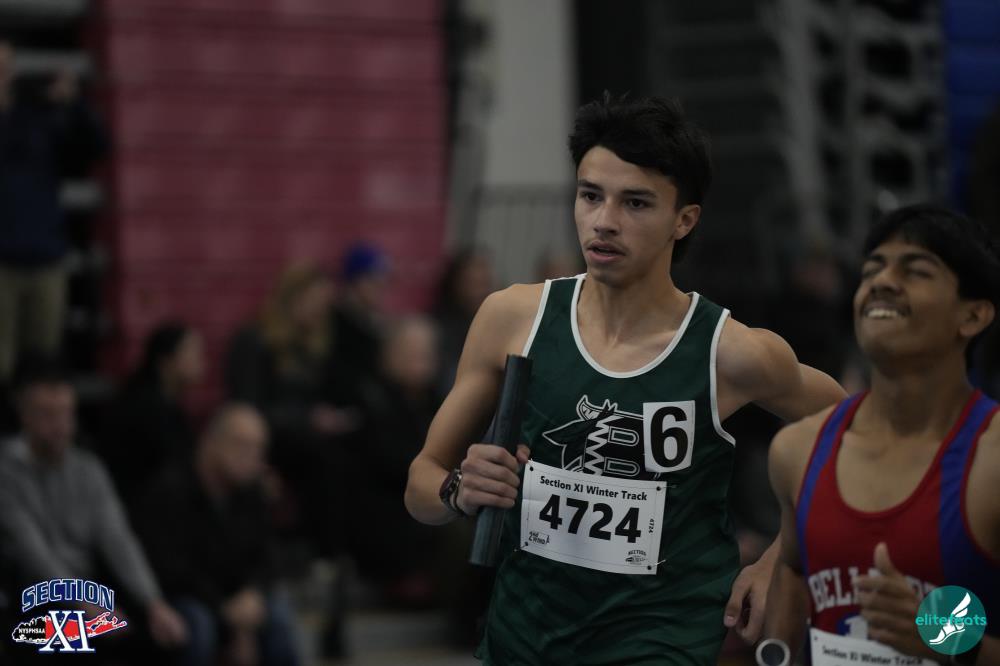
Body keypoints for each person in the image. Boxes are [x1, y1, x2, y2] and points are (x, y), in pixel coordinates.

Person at [405, 94, 846, 664]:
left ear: (684, 220)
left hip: (661, 639)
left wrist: (779, 559)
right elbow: (421, 485)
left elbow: (852, 430)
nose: (604, 221)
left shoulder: (731, 352)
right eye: (590, 195)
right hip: (524, 637)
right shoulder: (512, 318)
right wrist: (457, 490)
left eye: (635, 202)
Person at [764, 204, 1000, 665]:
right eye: (872, 269)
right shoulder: (798, 450)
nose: (882, 281)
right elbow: (792, 567)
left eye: (916, 270)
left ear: (972, 316)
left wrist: (945, 638)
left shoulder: (992, 459)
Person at [0, 357, 188, 653]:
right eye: (47, 414)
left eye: (65, 413)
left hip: (91, 588)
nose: (59, 425)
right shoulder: (6, 472)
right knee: (80, 637)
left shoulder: (89, 469)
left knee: (166, 632)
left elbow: (118, 539)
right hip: (29, 598)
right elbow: (34, 556)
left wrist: (152, 602)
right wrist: (86, 604)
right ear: (24, 416)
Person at [136, 404, 300, 666]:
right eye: (241, 444)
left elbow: (266, 556)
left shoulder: (251, 492)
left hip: (236, 597)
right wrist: (224, 609)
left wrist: (253, 594)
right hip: (185, 597)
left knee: (277, 615)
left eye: (258, 448)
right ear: (210, 442)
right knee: (197, 624)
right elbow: (171, 569)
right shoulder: (170, 489)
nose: (251, 456)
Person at [0, 38, 108, 382]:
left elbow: (95, 146)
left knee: (42, 363)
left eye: (5, 65)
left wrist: (73, 103)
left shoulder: (36, 115)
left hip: (44, 255)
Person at [101, 321, 204, 506]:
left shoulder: (170, 404)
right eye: (192, 352)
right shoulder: (141, 407)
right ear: (165, 361)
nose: (201, 361)